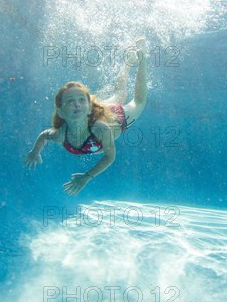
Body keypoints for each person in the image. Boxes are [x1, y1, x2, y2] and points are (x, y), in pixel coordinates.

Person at [25, 38, 147, 196]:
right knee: (119, 93)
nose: (76, 104)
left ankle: (141, 58)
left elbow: (110, 156)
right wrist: (35, 152)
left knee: (139, 101)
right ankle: (130, 61)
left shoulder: (100, 129)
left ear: (88, 107)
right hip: (98, 113)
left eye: (81, 100)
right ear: (61, 112)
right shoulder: (60, 134)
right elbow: (43, 136)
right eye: (70, 101)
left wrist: (87, 177)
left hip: (118, 119)